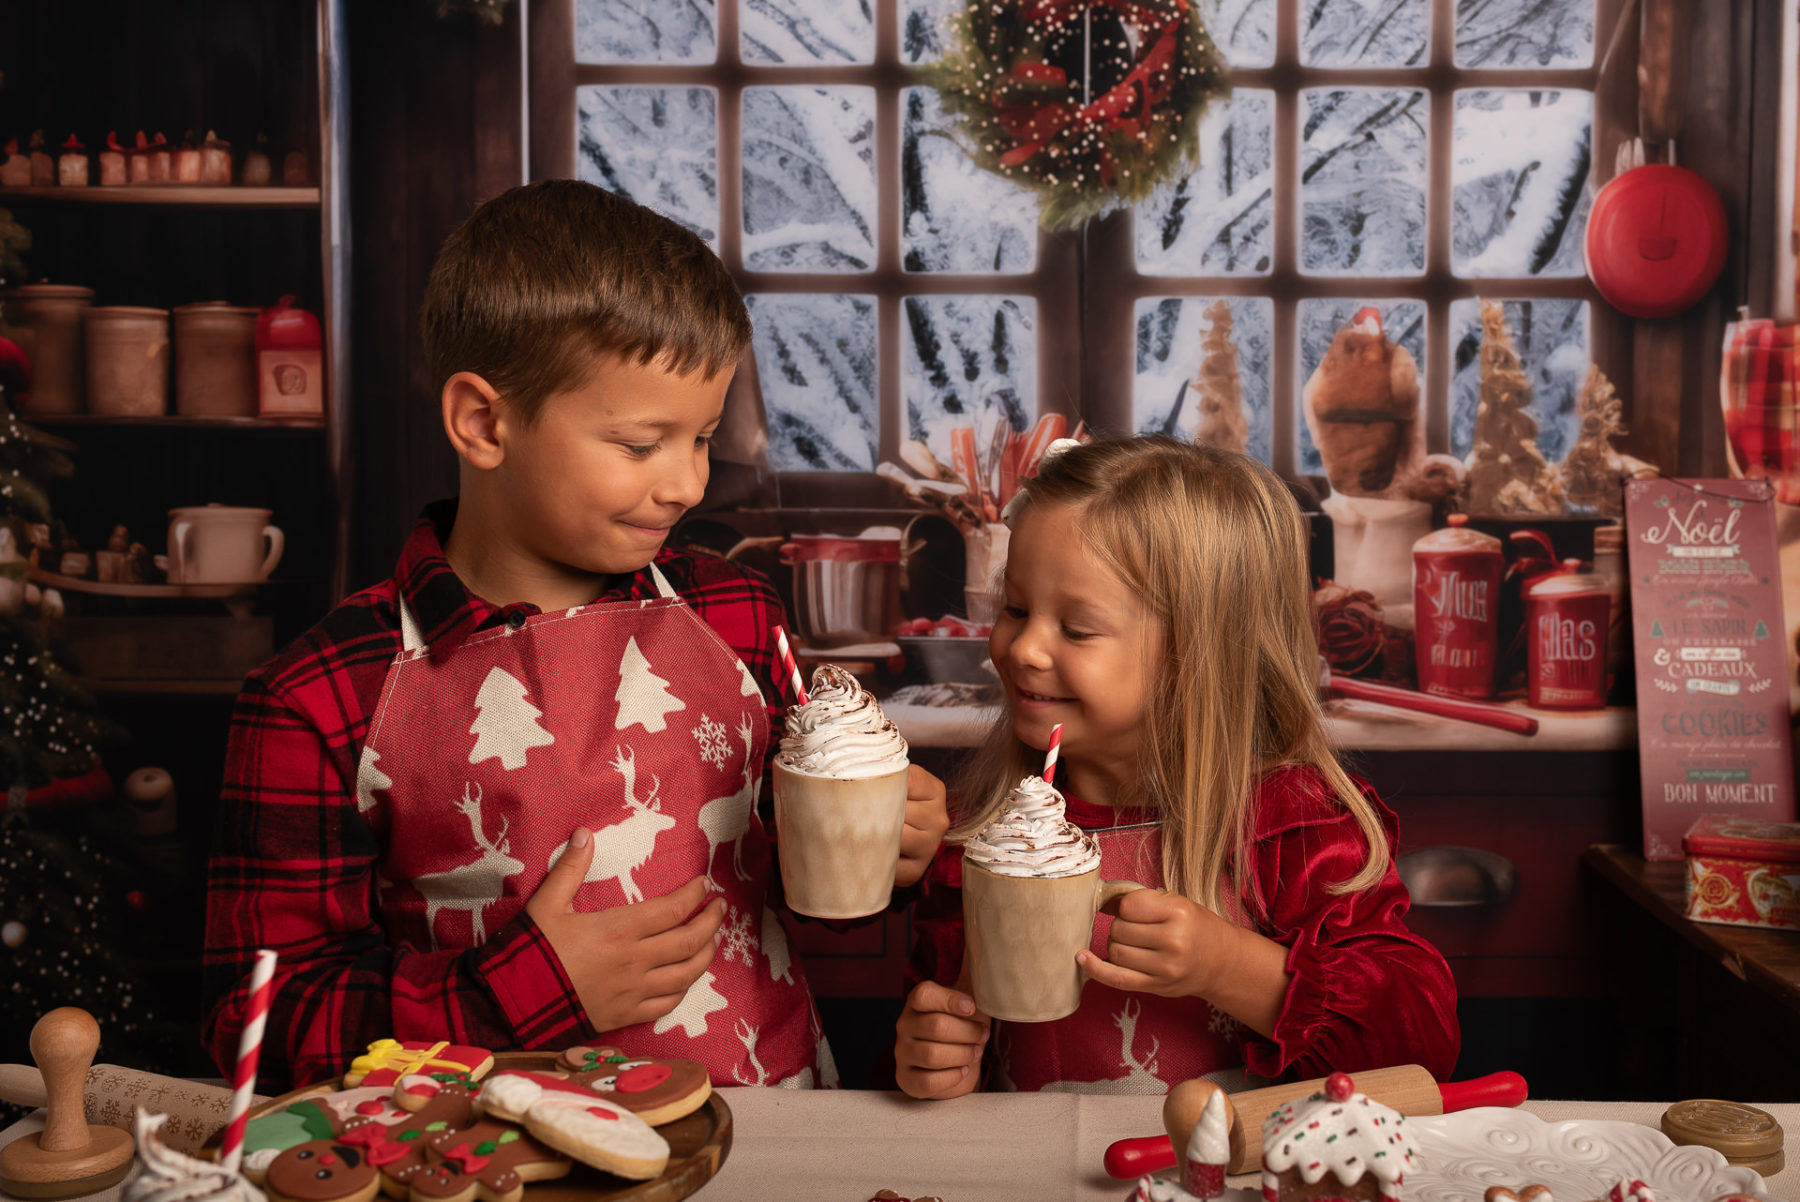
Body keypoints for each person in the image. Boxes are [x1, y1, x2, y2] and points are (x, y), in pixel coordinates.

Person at [204, 180, 949, 1090]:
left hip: (776, 1135)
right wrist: (521, 991)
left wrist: (885, 850)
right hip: (493, 1163)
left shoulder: (738, 617)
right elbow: (257, 1023)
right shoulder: (319, 695)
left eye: (703, 438)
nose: (685, 484)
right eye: (640, 445)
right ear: (484, 423)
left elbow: (816, 892)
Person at [893, 436, 1458, 1097]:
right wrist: (933, 1056)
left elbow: (1418, 1053)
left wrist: (1229, 966)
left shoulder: (1294, 826)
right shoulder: (977, 838)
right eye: (1016, 609)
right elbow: (943, 1051)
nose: (1022, 649)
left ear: (1198, 655)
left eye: (1076, 628)